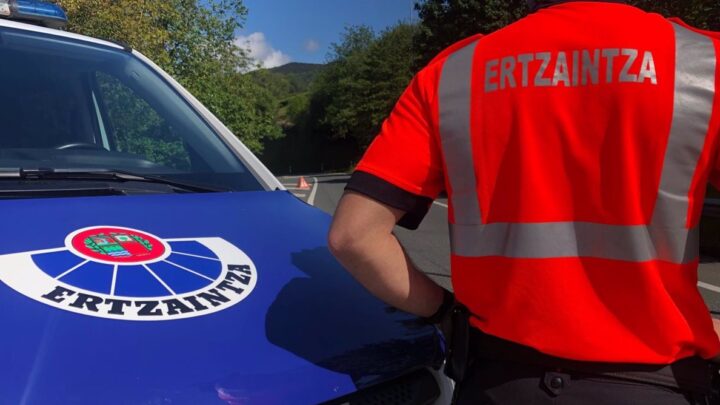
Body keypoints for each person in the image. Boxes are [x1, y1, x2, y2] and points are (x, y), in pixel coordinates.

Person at [327, 1, 720, 403]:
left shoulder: (452, 76)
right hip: (660, 385)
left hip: (497, 383)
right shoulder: (705, 63)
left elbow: (353, 236)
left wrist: (448, 316)